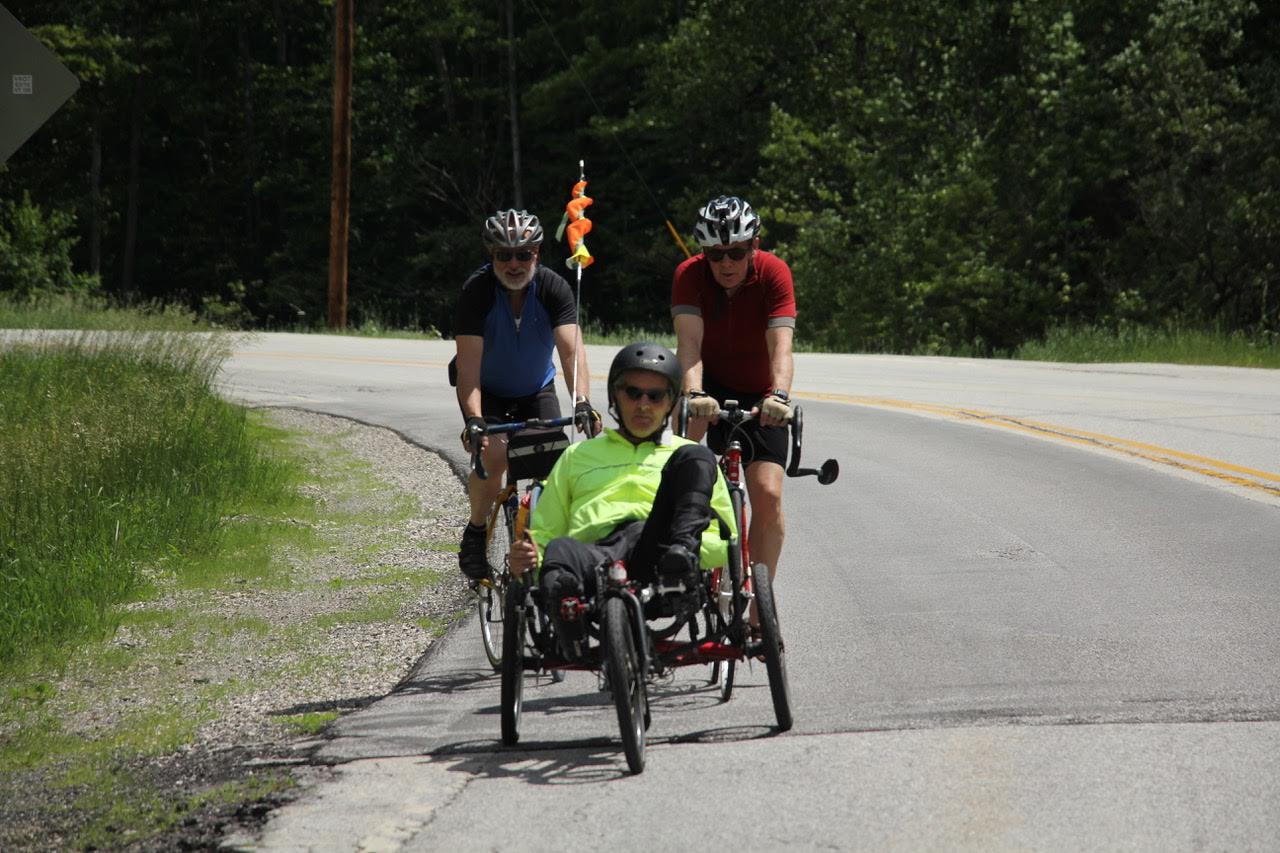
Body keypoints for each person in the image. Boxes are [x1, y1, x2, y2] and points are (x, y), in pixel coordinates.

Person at [508, 342, 736, 654]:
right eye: (633, 393)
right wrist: (528, 561)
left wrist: (691, 554)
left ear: (670, 403)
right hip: (595, 555)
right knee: (561, 549)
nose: (643, 404)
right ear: (616, 396)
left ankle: (681, 553)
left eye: (655, 396)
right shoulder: (577, 455)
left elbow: (726, 540)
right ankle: (569, 627)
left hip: (663, 549)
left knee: (696, 454)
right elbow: (546, 536)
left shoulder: (688, 457)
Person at [454, 208, 601, 582]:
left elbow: (571, 352)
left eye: (524, 254)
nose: (515, 263)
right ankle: (475, 532)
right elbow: (467, 370)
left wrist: (581, 401)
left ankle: (546, 549)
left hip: (537, 390)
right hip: (489, 393)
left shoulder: (553, 287)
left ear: (537, 252)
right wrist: (474, 420)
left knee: (552, 464)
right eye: (504, 255)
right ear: (492, 256)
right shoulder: (476, 292)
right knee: (495, 454)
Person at [670, 195, 796, 583]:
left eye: (737, 252)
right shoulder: (689, 275)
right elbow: (689, 347)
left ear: (753, 246)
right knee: (684, 474)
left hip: (762, 393)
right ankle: (679, 563)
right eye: (715, 253)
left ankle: (762, 608)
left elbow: (782, 348)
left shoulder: (774, 273)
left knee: (769, 494)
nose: (726, 263)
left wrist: (779, 397)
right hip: (706, 387)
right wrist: (693, 395)